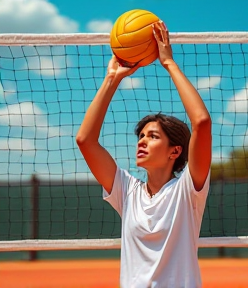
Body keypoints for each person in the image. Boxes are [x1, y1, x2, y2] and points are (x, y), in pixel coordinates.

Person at [76, 20, 212, 288]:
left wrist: (168, 63)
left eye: (153, 136)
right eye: (141, 136)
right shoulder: (127, 191)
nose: (142, 142)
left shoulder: (188, 190)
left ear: (175, 151)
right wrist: (112, 78)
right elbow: (85, 140)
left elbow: (201, 123)